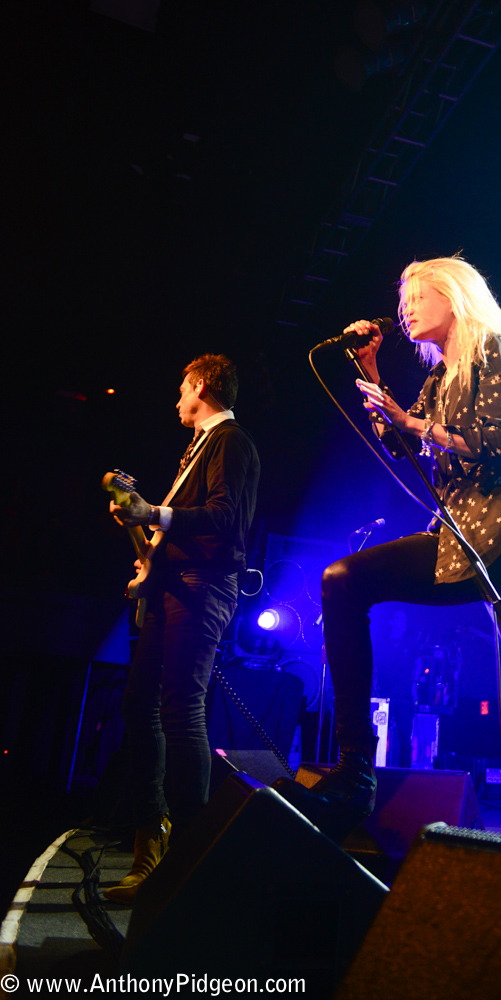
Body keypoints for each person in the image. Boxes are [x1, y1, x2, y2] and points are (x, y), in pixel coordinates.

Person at [275, 255, 501, 852]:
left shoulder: (494, 349)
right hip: (455, 543)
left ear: (454, 296)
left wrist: (412, 424)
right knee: (342, 579)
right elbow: (401, 443)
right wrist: (372, 372)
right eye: (403, 301)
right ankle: (355, 772)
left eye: (417, 297)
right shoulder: (437, 380)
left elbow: (498, 445)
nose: (405, 310)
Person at [105, 353, 260, 902]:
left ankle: (190, 858)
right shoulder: (197, 449)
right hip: (175, 583)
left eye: (181, 390)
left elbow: (224, 519)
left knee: (180, 709)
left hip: (202, 587)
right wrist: (149, 548)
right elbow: (184, 524)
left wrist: (151, 514)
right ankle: (153, 836)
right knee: (140, 705)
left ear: (200, 386)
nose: (176, 400)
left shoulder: (230, 441)